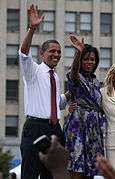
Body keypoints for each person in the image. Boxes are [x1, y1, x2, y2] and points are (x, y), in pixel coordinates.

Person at [19, 4, 66, 179]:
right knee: (30, 174)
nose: (56, 54)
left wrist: (68, 98)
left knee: (53, 175)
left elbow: (56, 103)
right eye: (52, 51)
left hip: (55, 129)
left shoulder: (56, 77)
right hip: (35, 128)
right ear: (42, 54)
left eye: (59, 52)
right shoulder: (33, 71)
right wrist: (32, 28)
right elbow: (23, 53)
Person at [64, 35, 107, 179]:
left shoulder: (95, 81)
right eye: (86, 59)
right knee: (76, 165)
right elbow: (73, 73)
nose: (89, 62)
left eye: (92, 59)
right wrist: (78, 52)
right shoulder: (76, 77)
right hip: (78, 124)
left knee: (91, 169)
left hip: (94, 128)